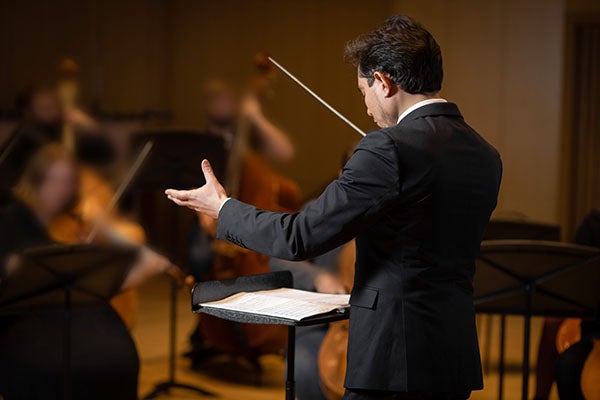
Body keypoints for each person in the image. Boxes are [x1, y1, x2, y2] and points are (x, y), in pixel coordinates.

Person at [167, 15, 502, 400]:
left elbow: (299, 237)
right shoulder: (484, 154)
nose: (367, 109)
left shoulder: (387, 147)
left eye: (363, 91)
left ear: (382, 81)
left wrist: (223, 208)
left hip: (390, 358)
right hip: (452, 355)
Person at [0, 144, 172, 400]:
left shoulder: (78, 219)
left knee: (119, 355)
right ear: (35, 181)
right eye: (54, 181)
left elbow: (127, 249)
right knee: (54, 368)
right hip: (27, 318)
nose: (62, 191)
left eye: (68, 182)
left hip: (77, 309)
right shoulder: (11, 221)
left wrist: (101, 223)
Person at [0, 85, 63, 207]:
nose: (52, 111)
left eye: (54, 106)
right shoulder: (27, 136)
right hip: (15, 203)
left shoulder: (57, 131)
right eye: (45, 107)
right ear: (28, 112)